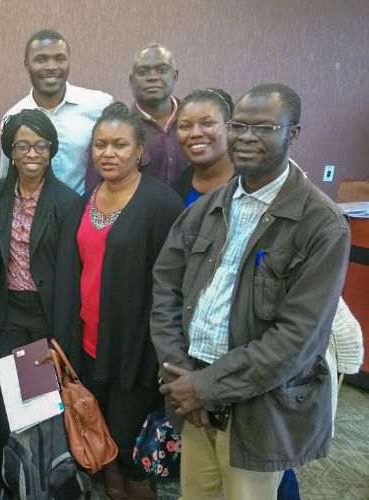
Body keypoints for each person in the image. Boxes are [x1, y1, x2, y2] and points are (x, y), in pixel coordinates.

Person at [151, 83, 350, 500]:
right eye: (239, 125)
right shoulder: (205, 208)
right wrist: (181, 375)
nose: (245, 137)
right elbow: (165, 290)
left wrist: (205, 386)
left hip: (258, 407)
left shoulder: (322, 224)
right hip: (194, 398)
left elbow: (298, 339)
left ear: (292, 133)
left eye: (262, 128)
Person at [74, 103, 183, 499]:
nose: (108, 153)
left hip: (136, 352)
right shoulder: (89, 196)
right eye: (100, 145)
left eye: (120, 145)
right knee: (101, 443)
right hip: (90, 343)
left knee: (132, 451)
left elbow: (174, 286)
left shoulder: (161, 204)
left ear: (140, 150)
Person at [0, 109, 82, 500]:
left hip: (43, 315)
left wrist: (59, 331)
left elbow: (68, 274)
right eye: (22, 145)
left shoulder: (67, 201)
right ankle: (3, 477)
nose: (31, 153)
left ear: (52, 149)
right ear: (10, 150)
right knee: (3, 399)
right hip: (7, 310)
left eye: (40, 145)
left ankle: (38, 481)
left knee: (39, 404)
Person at [0, 29, 113, 194]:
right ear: (27, 64)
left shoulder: (99, 105)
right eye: (41, 59)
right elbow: (7, 179)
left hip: (85, 213)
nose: (51, 67)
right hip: (34, 215)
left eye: (60, 58)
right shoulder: (13, 117)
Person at [128, 43, 188, 184]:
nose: (152, 78)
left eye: (162, 70)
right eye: (143, 72)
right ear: (131, 81)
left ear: (175, 76)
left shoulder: (195, 123)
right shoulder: (122, 129)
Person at [172, 88, 236, 206]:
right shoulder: (176, 191)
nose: (195, 133)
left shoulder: (253, 183)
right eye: (185, 126)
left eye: (207, 124)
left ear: (229, 128)